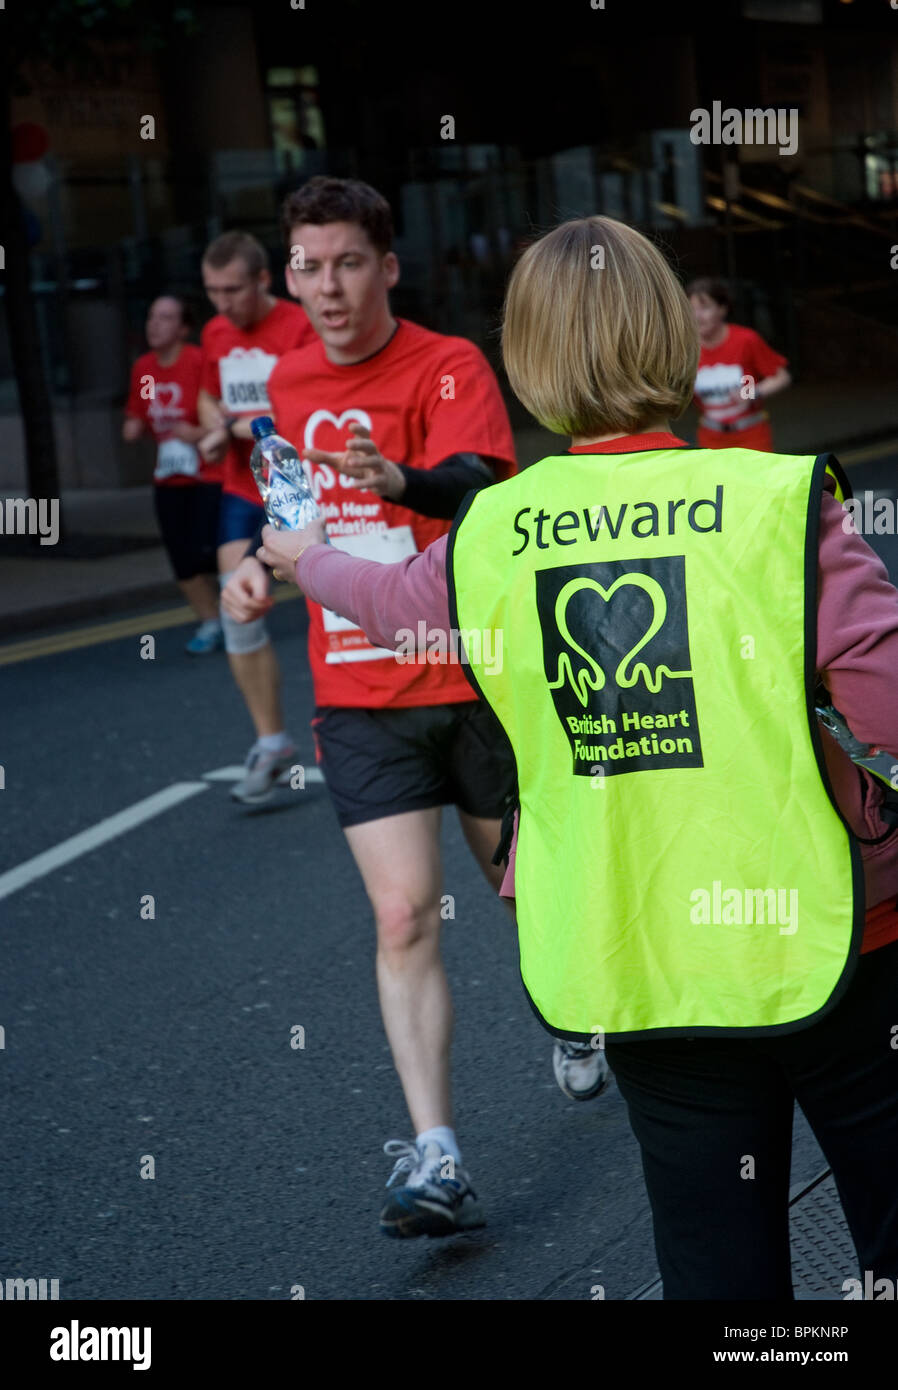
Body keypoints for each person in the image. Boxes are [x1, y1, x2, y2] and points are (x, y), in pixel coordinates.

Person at [258, 215, 898, 1298]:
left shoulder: (494, 530)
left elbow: (386, 597)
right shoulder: (777, 505)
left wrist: (305, 556)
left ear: (527, 359)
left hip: (642, 952)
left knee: (717, 1269)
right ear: (674, 337)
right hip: (844, 933)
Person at [221, 176, 529, 1238]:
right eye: (308, 265)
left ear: (386, 266)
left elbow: (477, 490)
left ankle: (579, 1017)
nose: (329, 285)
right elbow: (284, 512)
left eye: (349, 261)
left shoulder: (447, 364)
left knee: (522, 895)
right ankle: (436, 1154)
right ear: (287, 276)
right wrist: (256, 569)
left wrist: (395, 475)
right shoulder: (285, 383)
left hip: (470, 678)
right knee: (401, 916)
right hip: (358, 694)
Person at [197, 230, 316, 801]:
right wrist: (211, 433)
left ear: (263, 280)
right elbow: (205, 395)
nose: (223, 303)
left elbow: (306, 405)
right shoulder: (215, 333)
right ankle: (272, 742)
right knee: (235, 607)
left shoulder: (298, 325)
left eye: (233, 290)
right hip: (241, 489)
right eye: (213, 291)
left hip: (296, 483)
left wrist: (240, 427)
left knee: (329, 594)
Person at [123, 294, 223, 654]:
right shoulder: (145, 368)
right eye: (151, 317)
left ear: (183, 328)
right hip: (168, 477)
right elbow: (142, 408)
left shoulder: (198, 362)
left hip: (208, 474)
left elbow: (218, 415)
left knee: (206, 551)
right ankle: (211, 623)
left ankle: (234, 605)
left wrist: (198, 434)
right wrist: (134, 426)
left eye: (165, 318)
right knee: (181, 558)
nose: (155, 324)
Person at [688, 277, 791, 452]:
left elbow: (781, 376)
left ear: (722, 309)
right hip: (711, 439)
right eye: (691, 309)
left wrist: (752, 392)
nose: (697, 316)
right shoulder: (686, 349)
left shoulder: (745, 340)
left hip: (751, 436)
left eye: (705, 308)